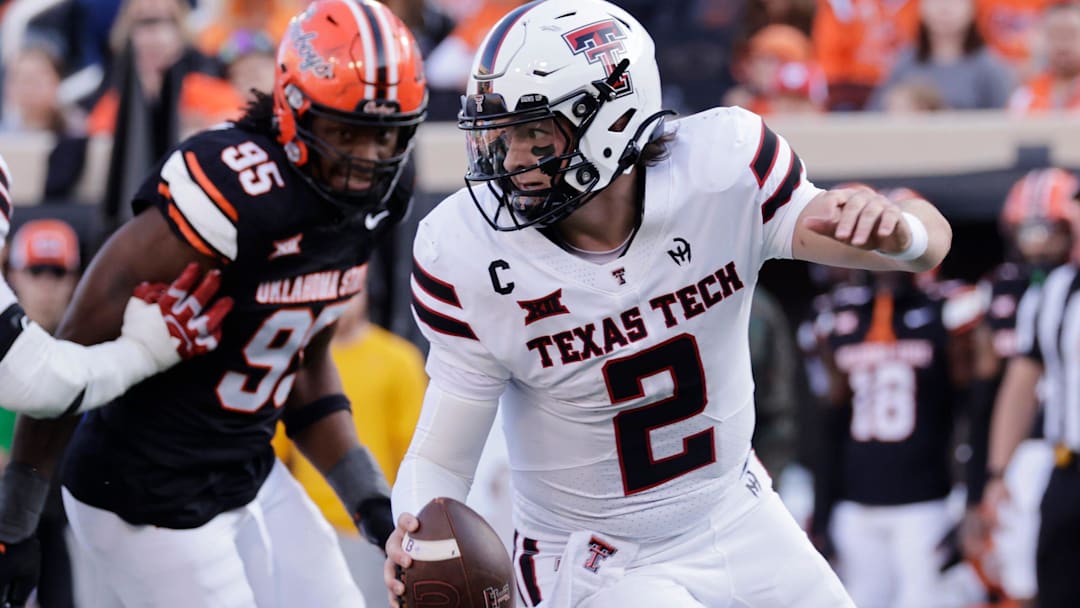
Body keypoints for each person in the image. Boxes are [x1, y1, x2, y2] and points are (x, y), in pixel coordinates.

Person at [384, 1, 952, 606]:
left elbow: (923, 249)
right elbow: (441, 458)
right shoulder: (468, 253)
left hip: (737, 512)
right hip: (593, 558)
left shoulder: (721, 170)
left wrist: (900, 231)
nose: (512, 160)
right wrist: (416, 535)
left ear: (609, 117)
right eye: (499, 133)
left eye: (533, 132)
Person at [0, 1, 428, 607]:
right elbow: (76, 343)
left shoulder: (382, 195)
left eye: (383, 135)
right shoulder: (233, 190)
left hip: (247, 469)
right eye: (345, 132)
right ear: (294, 111)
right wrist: (16, 519)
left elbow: (303, 359)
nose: (365, 160)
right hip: (144, 493)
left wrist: (369, 503)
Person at [811, 263, 977, 608]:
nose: (887, 263)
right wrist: (823, 511)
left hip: (925, 500)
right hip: (856, 503)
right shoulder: (839, 315)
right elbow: (831, 419)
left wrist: (968, 495)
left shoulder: (947, 310)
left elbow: (972, 408)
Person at [272, 271, 428, 602]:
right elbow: (278, 452)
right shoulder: (297, 362)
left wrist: (400, 524)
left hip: (371, 530)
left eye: (349, 292)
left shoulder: (398, 359)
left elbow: (414, 453)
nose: (340, 303)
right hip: (309, 529)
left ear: (366, 292)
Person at [980, 168, 1080, 607]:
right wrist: (998, 472)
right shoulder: (1053, 291)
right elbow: (1021, 382)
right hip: (1067, 464)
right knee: (1053, 586)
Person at [867, 0, 1014, 111]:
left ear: (972, 8)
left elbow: (1003, 129)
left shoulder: (990, 70)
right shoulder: (904, 64)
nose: (944, 9)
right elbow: (873, 119)